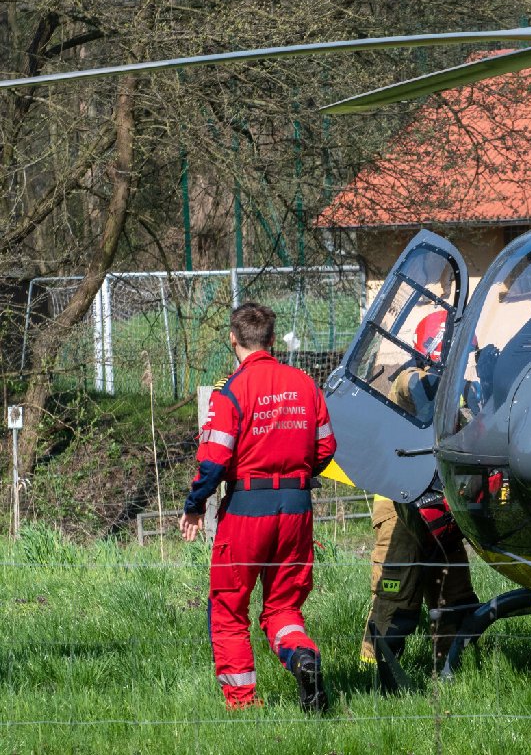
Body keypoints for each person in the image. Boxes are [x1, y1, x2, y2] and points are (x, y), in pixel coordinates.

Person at [178, 302, 336, 712]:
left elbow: (213, 460)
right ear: (270, 340)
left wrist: (196, 505)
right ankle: (301, 655)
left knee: (229, 605)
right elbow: (326, 447)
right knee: (284, 605)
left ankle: (243, 702)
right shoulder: (305, 385)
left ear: (234, 339)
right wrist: (298, 473)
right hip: (298, 506)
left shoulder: (231, 392)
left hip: (248, 507)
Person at [359, 493, 479, 692]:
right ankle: (373, 679)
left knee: (454, 593)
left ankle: (458, 670)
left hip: (444, 496)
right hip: (397, 500)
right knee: (395, 597)